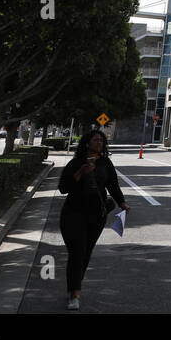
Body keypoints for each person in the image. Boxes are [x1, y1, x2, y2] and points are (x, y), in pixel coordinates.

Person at [57, 129, 129, 310]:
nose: (99, 143)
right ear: (87, 143)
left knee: (86, 253)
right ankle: (74, 294)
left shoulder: (106, 163)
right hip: (73, 214)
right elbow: (63, 188)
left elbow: (113, 185)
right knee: (77, 253)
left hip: (97, 215)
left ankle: (74, 285)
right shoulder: (76, 163)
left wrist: (122, 203)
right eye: (96, 140)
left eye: (102, 141)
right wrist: (81, 172)